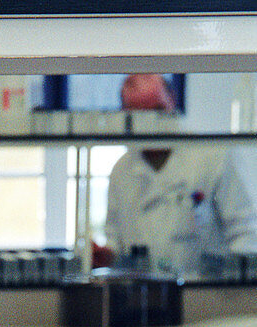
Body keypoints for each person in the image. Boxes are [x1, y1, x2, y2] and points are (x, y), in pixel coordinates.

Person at [98, 74, 257, 275]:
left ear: (172, 102)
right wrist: (106, 255)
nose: (151, 124)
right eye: (139, 115)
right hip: (143, 298)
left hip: (207, 297)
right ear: (125, 115)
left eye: (158, 111)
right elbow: (114, 239)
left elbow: (246, 234)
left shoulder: (214, 154)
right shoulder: (121, 171)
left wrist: (233, 288)